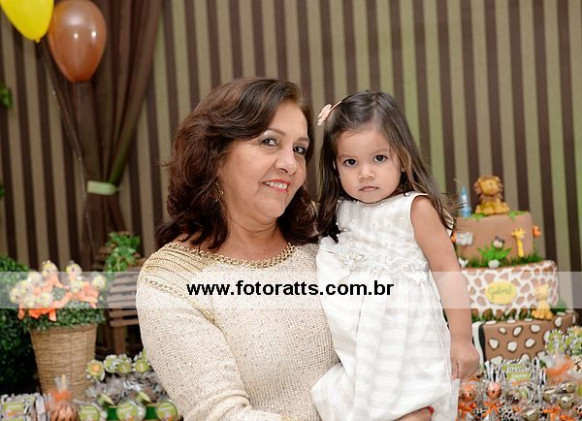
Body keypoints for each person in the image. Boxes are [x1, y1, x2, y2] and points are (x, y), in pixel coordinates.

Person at [136, 79, 433, 421]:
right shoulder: (170, 280)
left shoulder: (328, 231)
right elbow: (222, 415)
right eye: (269, 142)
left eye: (299, 149)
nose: (290, 164)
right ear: (215, 155)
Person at [312, 91, 480, 421]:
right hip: (361, 348)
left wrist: (462, 338)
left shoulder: (414, 209)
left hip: (408, 341)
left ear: (402, 158)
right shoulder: (341, 212)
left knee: (412, 408)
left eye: (379, 158)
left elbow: (448, 271)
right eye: (350, 162)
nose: (365, 173)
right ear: (335, 166)